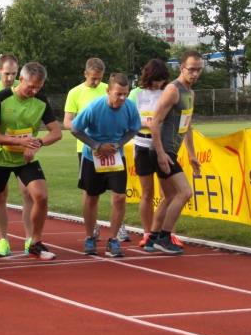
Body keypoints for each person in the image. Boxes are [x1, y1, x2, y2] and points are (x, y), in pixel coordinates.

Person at [0, 62, 63, 262]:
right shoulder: (2, 98)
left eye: (39, 87)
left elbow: (56, 132)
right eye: (31, 86)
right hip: (0, 158)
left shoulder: (41, 101)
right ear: (21, 80)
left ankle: (35, 243)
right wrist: (18, 141)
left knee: (41, 196)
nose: (34, 91)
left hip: (24, 159)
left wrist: (37, 143)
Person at [71, 74, 141, 257]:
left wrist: (119, 144)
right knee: (92, 198)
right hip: (92, 158)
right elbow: (75, 129)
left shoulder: (130, 108)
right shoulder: (94, 108)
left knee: (119, 197)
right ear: (108, 91)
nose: (123, 98)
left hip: (116, 157)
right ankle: (90, 237)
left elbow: (134, 128)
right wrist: (96, 146)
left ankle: (114, 239)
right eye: (118, 94)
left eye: (125, 94)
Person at [141, 50, 203, 255]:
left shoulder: (190, 93)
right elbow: (155, 123)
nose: (195, 73)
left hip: (171, 151)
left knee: (169, 197)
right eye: (191, 69)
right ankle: (165, 237)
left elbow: (188, 126)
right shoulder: (172, 90)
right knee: (184, 192)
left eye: (198, 70)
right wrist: (160, 153)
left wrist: (192, 155)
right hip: (161, 151)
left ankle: (153, 238)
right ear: (182, 68)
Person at [64, 57, 127, 243]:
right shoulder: (75, 92)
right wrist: (87, 133)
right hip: (87, 148)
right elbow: (68, 122)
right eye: (93, 78)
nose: (96, 82)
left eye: (99, 78)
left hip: (113, 149)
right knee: (91, 193)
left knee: (117, 193)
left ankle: (119, 226)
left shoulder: (111, 89)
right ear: (85, 74)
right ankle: (92, 228)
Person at [0, 54, 34, 256]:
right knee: (0, 196)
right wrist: (1, 136)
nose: (10, 77)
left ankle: (30, 239)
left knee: (29, 193)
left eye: (14, 73)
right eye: (7, 73)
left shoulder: (27, 90)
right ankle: (3, 240)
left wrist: (31, 143)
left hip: (23, 150)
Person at [129, 59, 171, 247]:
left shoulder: (167, 93)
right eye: (155, 80)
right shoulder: (136, 94)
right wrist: (147, 123)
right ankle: (147, 232)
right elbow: (128, 120)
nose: (158, 84)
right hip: (142, 146)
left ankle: (164, 232)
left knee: (167, 193)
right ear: (148, 77)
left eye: (162, 80)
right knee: (147, 192)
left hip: (162, 147)